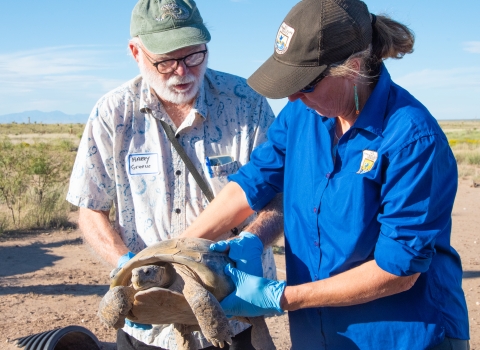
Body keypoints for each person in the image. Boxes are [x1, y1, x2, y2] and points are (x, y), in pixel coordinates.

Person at [180, 0, 471, 349]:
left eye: (305, 83)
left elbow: (398, 270)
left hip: (401, 333)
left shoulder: (411, 139)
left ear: (352, 69)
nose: (292, 95)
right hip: (318, 332)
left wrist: (280, 297)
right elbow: (253, 182)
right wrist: (178, 250)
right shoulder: (302, 115)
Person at [66, 0, 282, 349]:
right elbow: (91, 208)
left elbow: (279, 196)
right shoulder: (112, 114)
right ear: (136, 52)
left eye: (194, 56)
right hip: (148, 326)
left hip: (233, 312)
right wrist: (125, 264)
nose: (182, 72)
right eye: (165, 61)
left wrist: (253, 240)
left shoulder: (246, 102)